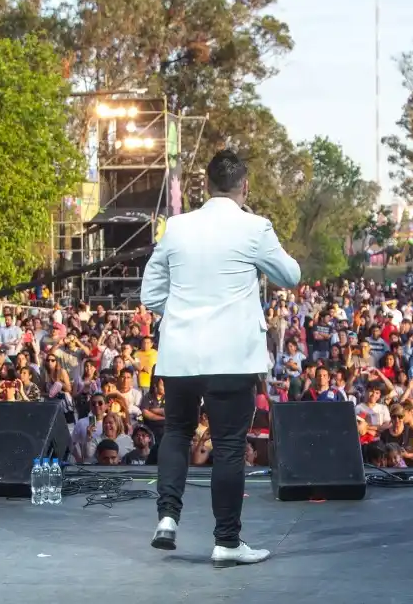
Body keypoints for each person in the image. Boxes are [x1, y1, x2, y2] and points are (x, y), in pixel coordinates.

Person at [141, 149, 300, 568]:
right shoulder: (254, 227)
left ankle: (168, 519)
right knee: (229, 446)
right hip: (231, 356)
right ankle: (226, 541)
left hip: (180, 354)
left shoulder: (176, 226)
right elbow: (290, 276)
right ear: (244, 186)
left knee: (176, 433)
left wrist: (177, 311)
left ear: (206, 186)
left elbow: (150, 293)